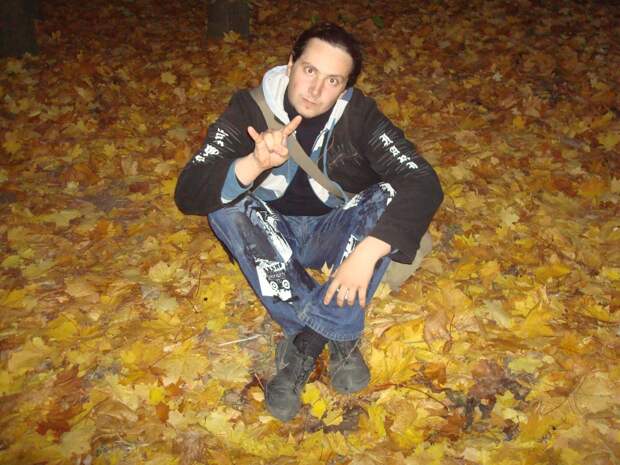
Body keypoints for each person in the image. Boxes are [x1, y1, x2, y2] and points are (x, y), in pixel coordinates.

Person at [174, 23, 443, 422]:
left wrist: (366, 253)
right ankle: (338, 333)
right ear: (290, 65)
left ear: (345, 87)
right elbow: (188, 193)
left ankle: (305, 344)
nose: (315, 90)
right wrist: (253, 164)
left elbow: (422, 180)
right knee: (224, 205)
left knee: (388, 194)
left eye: (333, 80)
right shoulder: (248, 110)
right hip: (271, 234)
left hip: (335, 231)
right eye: (309, 70)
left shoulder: (359, 115)